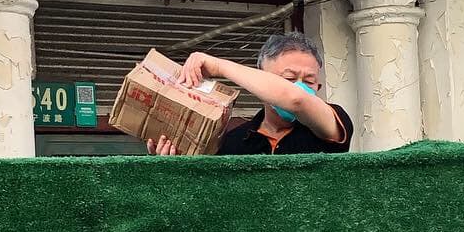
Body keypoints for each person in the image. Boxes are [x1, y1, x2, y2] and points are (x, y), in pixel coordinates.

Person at [147, 32, 353, 157]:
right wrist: (172, 165)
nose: (299, 88)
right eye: (288, 79)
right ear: (261, 82)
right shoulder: (233, 142)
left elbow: (296, 100)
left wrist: (218, 66)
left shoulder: (331, 125)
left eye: (309, 82)